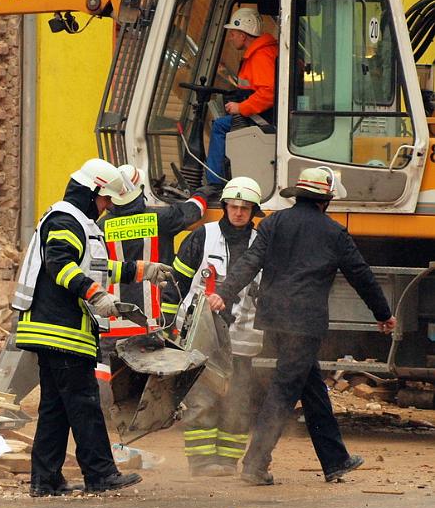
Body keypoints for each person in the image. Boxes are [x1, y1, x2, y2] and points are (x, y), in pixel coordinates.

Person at [207, 167, 397, 485]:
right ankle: (255, 464)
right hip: (304, 324)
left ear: (298, 195)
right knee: (283, 391)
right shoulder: (334, 233)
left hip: (274, 319)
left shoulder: (274, 223)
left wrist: (224, 293)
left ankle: (335, 460)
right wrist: (383, 314)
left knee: (312, 389)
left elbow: (249, 261)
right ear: (325, 201)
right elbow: (361, 275)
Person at [11, 158, 172, 496]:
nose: (107, 207)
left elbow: (97, 265)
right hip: (61, 329)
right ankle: (100, 474)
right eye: (105, 200)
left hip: (53, 328)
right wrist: (96, 295)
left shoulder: (77, 221)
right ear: (92, 191)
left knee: (55, 408)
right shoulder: (65, 219)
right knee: (84, 403)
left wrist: (143, 270)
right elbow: (60, 264)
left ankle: (46, 479)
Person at [160, 177, 264, 477]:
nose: (239, 213)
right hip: (199, 334)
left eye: (246, 208)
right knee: (201, 400)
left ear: (253, 211)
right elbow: (175, 285)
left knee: (238, 401)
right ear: (225, 206)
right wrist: (167, 329)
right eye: (234, 206)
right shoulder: (202, 236)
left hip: (243, 336)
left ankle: (229, 462)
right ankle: (202, 462)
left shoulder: (261, 243)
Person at [97, 164, 209, 339]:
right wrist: (202, 193)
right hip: (155, 324)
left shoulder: (100, 227)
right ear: (141, 189)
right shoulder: (161, 219)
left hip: (114, 326)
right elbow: (194, 211)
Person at [206, 7, 279, 188]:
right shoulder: (263, 52)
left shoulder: (260, 56)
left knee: (219, 127)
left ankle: (214, 183)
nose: (230, 38)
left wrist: (241, 108)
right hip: (265, 115)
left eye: (233, 33)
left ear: (243, 35)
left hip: (263, 119)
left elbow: (269, 92)